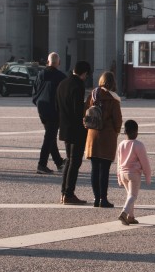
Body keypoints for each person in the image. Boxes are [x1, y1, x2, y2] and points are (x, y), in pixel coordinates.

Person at [85, 71, 123, 208]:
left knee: (94, 168)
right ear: (113, 83)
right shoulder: (113, 99)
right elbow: (117, 120)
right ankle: (103, 199)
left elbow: (85, 113)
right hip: (107, 136)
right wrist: (115, 132)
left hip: (93, 135)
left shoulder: (93, 95)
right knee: (104, 169)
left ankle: (96, 198)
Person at [56, 60, 90, 205]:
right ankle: (69, 194)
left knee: (69, 161)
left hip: (64, 127)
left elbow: (57, 106)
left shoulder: (62, 84)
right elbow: (78, 111)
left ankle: (64, 193)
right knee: (74, 163)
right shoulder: (78, 85)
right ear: (84, 73)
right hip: (76, 130)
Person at [32, 52, 66, 174]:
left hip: (41, 107)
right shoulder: (62, 77)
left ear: (47, 62)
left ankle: (59, 162)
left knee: (50, 135)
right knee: (49, 137)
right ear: (59, 63)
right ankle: (42, 164)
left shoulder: (41, 74)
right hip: (54, 110)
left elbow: (35, 89)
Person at [115, 119, 151, 225]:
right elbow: (145, 162)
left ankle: (131, 217)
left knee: (129, 195)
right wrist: (148, 176)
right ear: (136, 132)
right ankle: (124, 213)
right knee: (133, 196)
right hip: (133, 174)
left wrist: (119, 177)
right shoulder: (138, 145)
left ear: (125, 132)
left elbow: (118, 161)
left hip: (123, 173)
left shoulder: (121, 144)